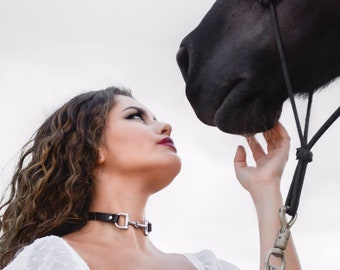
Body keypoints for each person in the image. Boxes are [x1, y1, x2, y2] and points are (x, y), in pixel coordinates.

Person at [0, 86, 301, 270]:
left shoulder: (206, 266)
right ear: (92, 148)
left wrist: (266, 189)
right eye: (135, 117)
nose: (165, 126)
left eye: (156, 117)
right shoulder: (51, 260)